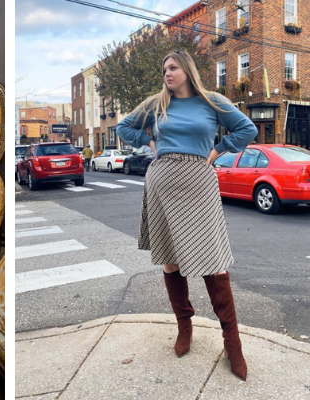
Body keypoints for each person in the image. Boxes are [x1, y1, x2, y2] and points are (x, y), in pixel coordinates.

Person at [116, 49, 257, 381]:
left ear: (187, 70)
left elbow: (246, 129)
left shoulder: (212, 102)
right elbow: (124, 127)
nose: (167, 73)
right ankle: (184, 326)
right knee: (171, 260)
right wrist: (149, 142)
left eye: (173, 67)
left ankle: (232, 343)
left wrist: (217, 150)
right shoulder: (156, 104)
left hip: (198, 181)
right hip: (162, 181)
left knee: (213, 260)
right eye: (164, 68)